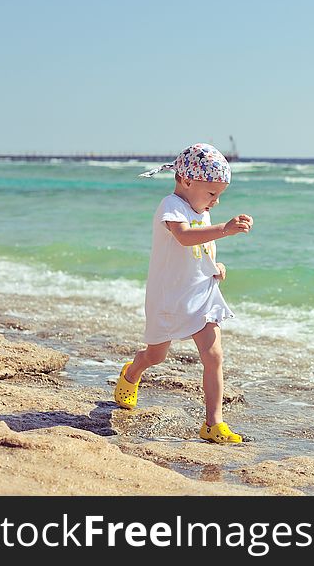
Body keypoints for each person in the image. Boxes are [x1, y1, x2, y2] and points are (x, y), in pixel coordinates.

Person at [114, 143, 253, 444]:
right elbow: (184, 237)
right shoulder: (171, 207)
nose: (215, 202)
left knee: (214, 355)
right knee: (156, 355)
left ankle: (213, 423)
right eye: (212, 194)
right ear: (187, 181)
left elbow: (200, 249)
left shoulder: (201, 211)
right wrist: (225, 229)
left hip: (201, 295)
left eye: (219, 196)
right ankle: (132, 372)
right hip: (169, 298)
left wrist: (216, 265)